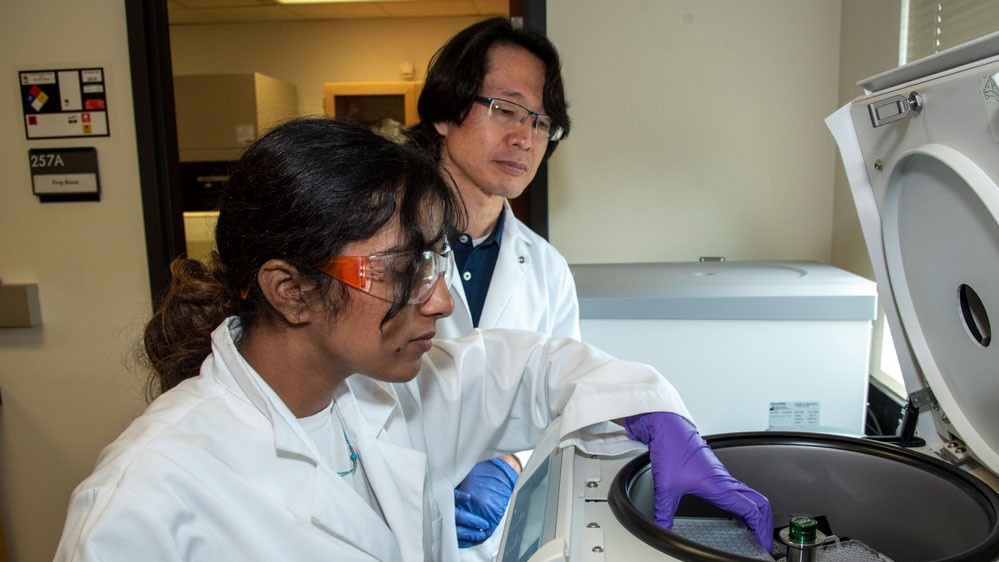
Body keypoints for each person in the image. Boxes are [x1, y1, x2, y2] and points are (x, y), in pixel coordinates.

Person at [53, 118, 772, 562]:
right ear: (290, 289)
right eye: (403, 269)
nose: (441, 299)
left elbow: (531, 365)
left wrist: (655, 414)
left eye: (435, 260)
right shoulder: (141, 503)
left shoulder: (378, 392)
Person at [405, 17, 580, 558]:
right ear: (444, 113)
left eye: (541, 122)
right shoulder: (380, 248)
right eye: (505, 108)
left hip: (495, 537)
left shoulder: (548, 271)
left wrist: (507, 464)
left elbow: (559, 401)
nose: (524, 138)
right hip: (387, 519)